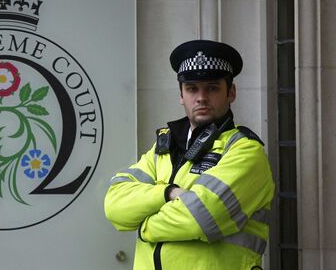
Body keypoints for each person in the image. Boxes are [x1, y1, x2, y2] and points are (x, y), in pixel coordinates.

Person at [104, 40, 274, 270]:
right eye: (192, 88)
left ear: (231, 92)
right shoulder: (163, 148)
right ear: (181, 95)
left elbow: (202, 219)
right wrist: (168, 193)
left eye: (212, 88)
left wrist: (143, 225)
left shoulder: (245, 151)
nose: (201, 97)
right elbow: (115, 205)